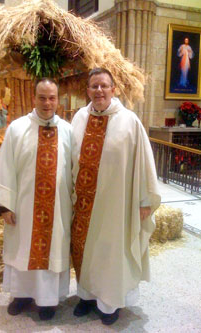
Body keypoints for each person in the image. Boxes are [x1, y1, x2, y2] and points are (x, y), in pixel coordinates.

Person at [71, 68, 161, 325]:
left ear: (114, 89)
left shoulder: (129, 121)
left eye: (104, 86)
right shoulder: (79, 118)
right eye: (94, 86)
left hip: (116, 204)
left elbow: (143, 162)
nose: (99, 91)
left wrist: (145, 200)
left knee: (111, 252)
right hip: (83, 205)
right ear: (87, 91)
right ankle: (86, 296)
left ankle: (109, 304)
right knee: (84, 250)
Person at [0, 78, 72, 320]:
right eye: (42, 97)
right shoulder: (18, 128)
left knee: (51, 252)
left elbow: (75, 170)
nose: (47, 102)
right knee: (23, 249)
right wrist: (3, 205)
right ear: (34, 98)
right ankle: (21, 295)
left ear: (58, 100)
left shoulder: (68, 130)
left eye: (52, 97)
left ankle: (48, 301)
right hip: (24, 207)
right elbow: (5, 167)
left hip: (57, 209)